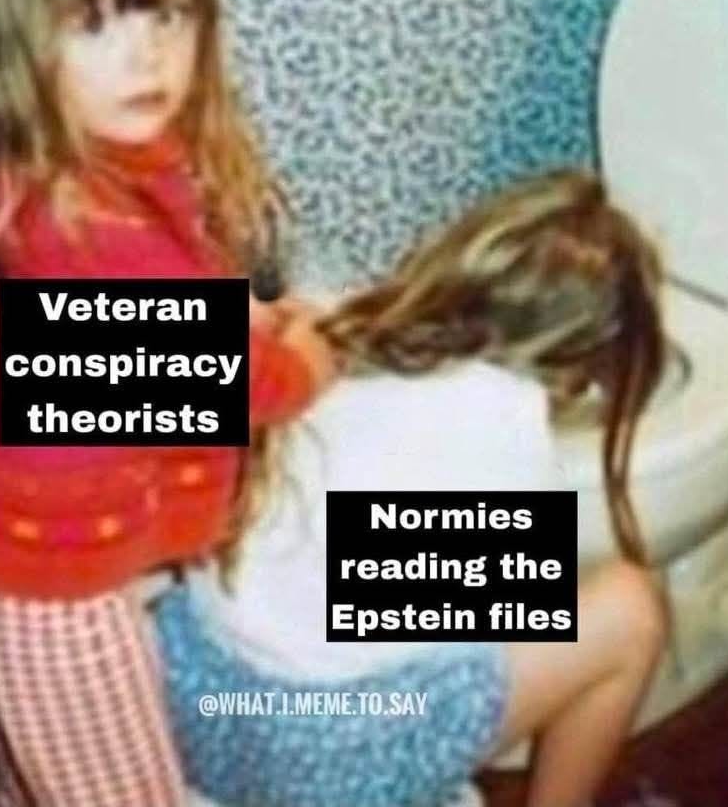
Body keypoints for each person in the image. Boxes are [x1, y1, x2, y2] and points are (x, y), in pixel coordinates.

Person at [0, 0, 338, 806]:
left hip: (7, 549)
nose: (147, 54)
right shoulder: (92, 226)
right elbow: (231, 384)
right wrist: (312, 359)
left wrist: (232, 319)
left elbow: (108, 346)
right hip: (49, 596)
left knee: (61, 773)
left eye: (167, 15)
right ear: (19, 42)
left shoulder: (35, 169)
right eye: (95, 22)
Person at [155, 171, 668, 807]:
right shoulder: (508, 425)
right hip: (318, 763)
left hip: (196, 704)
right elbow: (465, 635)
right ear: (580, 362)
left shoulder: (332, 323)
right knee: (631, 609)